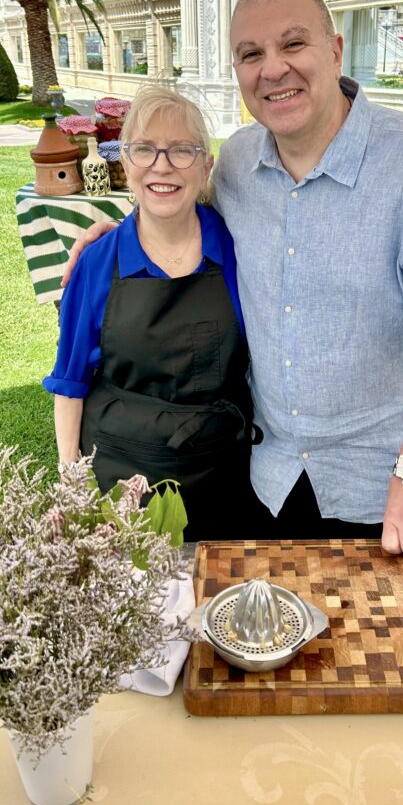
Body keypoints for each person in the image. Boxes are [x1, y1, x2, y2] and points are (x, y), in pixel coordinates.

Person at [61, 0, 403, 556]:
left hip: (377, 486)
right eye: (251, 54)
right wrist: (116, 235)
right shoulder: (240, 160)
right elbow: (177, 205)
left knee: (371, 644)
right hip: (261, 473)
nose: (273, 70)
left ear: (335, 50)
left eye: (293, 45)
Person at [43, 86, 255, 541]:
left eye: (182, 150)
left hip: (219, 474)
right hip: (119, 472)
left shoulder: (240, 251)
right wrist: (70, 483)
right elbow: (69, 382)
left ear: (206, 167)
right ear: (126, 162)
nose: (162, 165)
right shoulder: (98, 262)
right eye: (144, 150)